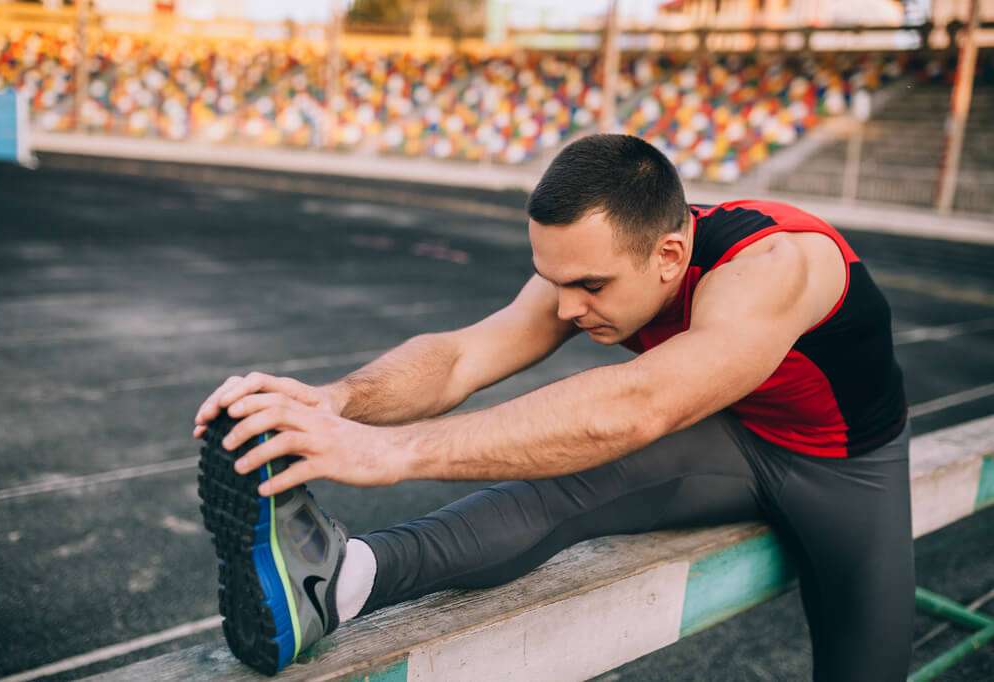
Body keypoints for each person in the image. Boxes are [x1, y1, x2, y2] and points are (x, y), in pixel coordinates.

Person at [193, 134, 913, 681]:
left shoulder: (774, 267)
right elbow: (464, 355)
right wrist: (335, 400)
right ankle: (338, 581)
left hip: (845, 466)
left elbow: (639, 404)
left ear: (669, 256)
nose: (566, 307)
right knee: (559, 482)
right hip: (731, 437)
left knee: (866, 669)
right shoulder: (593, 261)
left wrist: (390, 451)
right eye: (553, 280)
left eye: (590, 287)